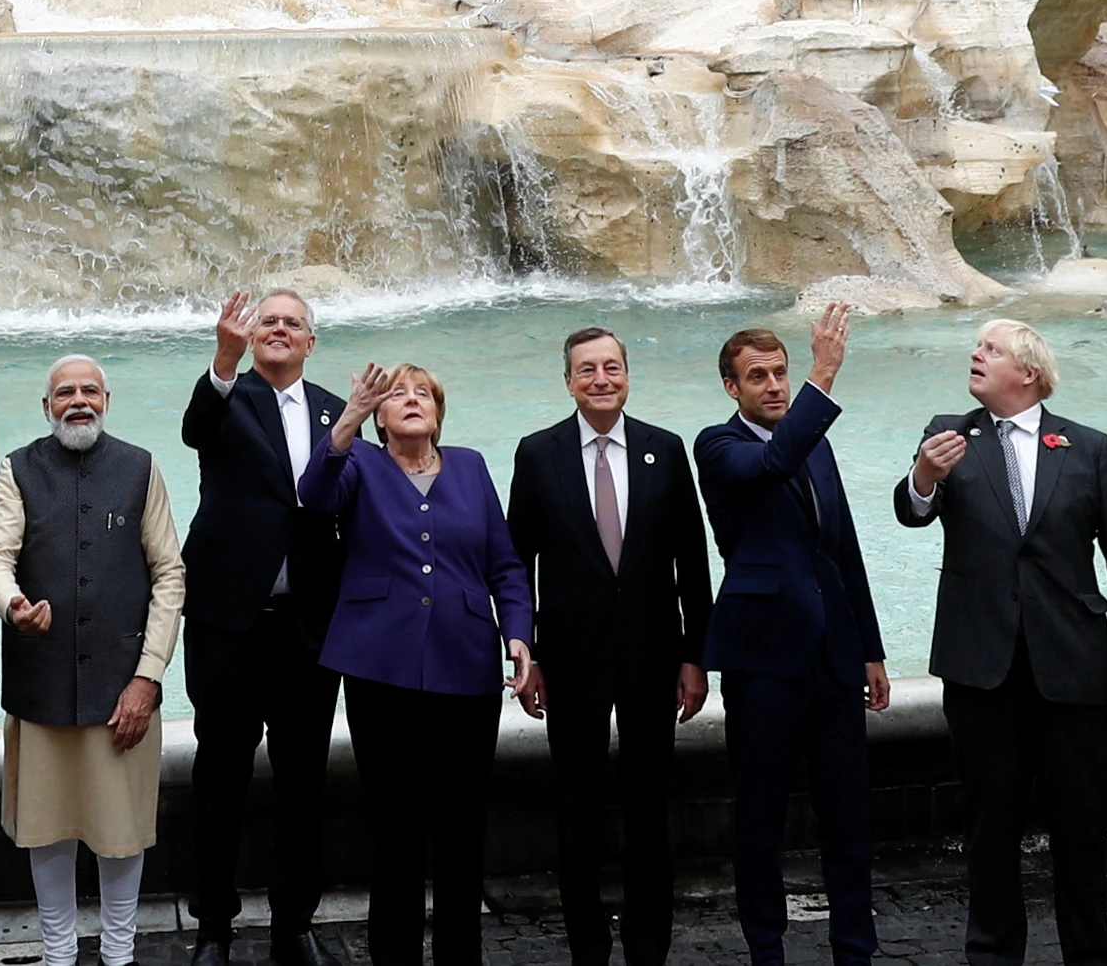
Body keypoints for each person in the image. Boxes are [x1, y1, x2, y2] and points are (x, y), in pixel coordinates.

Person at [895, 319, 1107, 966]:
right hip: (981, 669)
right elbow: (912, 509)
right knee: (989, 828)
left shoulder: (1091, 447)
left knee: (1082, 829)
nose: (975, 355)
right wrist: (923, 474)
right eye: (975, 345)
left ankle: (1090, 955)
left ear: (1029, 371)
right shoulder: (948, 433)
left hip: (1073, 665)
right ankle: (991, 955)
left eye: (990, 349)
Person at [300, 363, 533, 966]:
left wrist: (519, 636)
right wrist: (347, 418)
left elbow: (505, 565)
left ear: (438, 411)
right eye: (397, 394)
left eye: (422, 392)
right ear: (379, 417)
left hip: (466, 666)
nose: (411, 400)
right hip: (381, 668)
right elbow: (315, 498)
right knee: (396, 834)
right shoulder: (359, 465)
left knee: (462, 835)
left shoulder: (473, 466)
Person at [505, 327, 713, 966]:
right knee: (578, 808)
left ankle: (649, 947)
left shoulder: (666, 450)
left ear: (627, 375)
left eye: (612, 367)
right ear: (567, 380)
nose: (601, 378)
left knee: (652, 808)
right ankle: (588, 948)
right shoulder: (537, 454)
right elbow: (518, 562)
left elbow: (692, 563)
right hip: (570, 660)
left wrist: (696, 656)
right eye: (587, 369)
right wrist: (528, 653)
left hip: (654, 657)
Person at [0, 357, 189, 966]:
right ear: (46, 407)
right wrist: (11, 602)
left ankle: (119, 953)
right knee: (47, 829)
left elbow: (169, 574)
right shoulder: (16, 469)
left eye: (89, 391)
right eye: (64, 393)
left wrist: (148, 677)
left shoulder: (139, 468)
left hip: (121, 686)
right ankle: (57, 953)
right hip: (40, 682)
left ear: (107, 399)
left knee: (121, 831)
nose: (78, 401)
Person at [695, 309, 888, 966]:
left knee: (849, 819)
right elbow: (772, 463)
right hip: (762, 662)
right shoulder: (717, 446)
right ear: (732, 388)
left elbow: (843, 548)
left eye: (781, 372)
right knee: (761, 818)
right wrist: (824, 373)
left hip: (834, 656)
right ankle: (767, 952)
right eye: (759, 376)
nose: (775, 385)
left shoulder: (817, 443)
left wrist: (870, 645)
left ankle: (855, 951)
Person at [180, 290, 350, 966]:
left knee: (304, 780)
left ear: (311, 341)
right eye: (267, 321)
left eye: (293, 322)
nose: (279, 328)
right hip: (228, 622)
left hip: (308, 625)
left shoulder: (339, 409)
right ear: (251, 339)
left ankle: (294, 924)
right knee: (219, 776)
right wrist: (222, 358)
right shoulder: (227, 396)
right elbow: (195, 428)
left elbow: (339, 501)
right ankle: (214, 926)